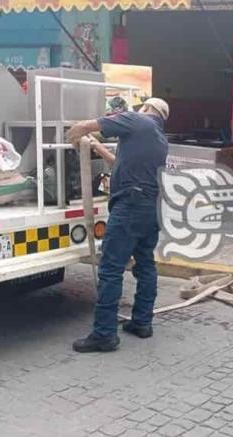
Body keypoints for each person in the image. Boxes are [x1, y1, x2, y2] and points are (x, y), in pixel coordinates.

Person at [66, 97, 170, 353]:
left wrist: (75, 139)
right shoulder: (158, 137)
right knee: (145, 263)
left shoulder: (136, 120)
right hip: (152, 207)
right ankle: (142, 323)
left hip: (131, 206)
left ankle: (104, 334)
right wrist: (96, 147)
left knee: (111, 268)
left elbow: (81, 127)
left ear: (146, 108)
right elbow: (119, 163)